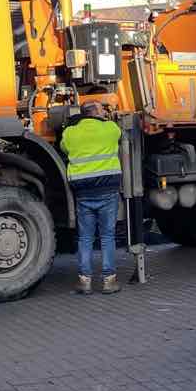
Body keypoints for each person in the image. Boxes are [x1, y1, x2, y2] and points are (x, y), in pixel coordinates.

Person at [62, 101, 123, 294]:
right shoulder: (110, 128)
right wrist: (106, 118)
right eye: (102, 109)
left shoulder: (70, 133)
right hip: (107, 190)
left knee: (85, 238)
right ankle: (109, 281)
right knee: (107, 237)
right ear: (97, 112)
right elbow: (120, 136)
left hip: (83, 192)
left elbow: (64, 148)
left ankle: (85, 281)